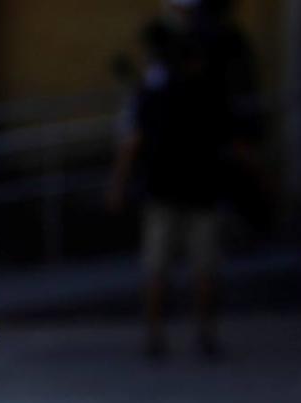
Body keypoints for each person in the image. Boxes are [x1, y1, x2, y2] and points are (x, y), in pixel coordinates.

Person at [109, 2, 236, 359]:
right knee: (205, 269)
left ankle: (154, 336)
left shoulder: (153, 96)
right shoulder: (210, 95)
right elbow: (233, 142)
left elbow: (132, 142)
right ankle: (206, 335)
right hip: (202, 193)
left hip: (161, 193)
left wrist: (118, 185)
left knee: (156, 269)